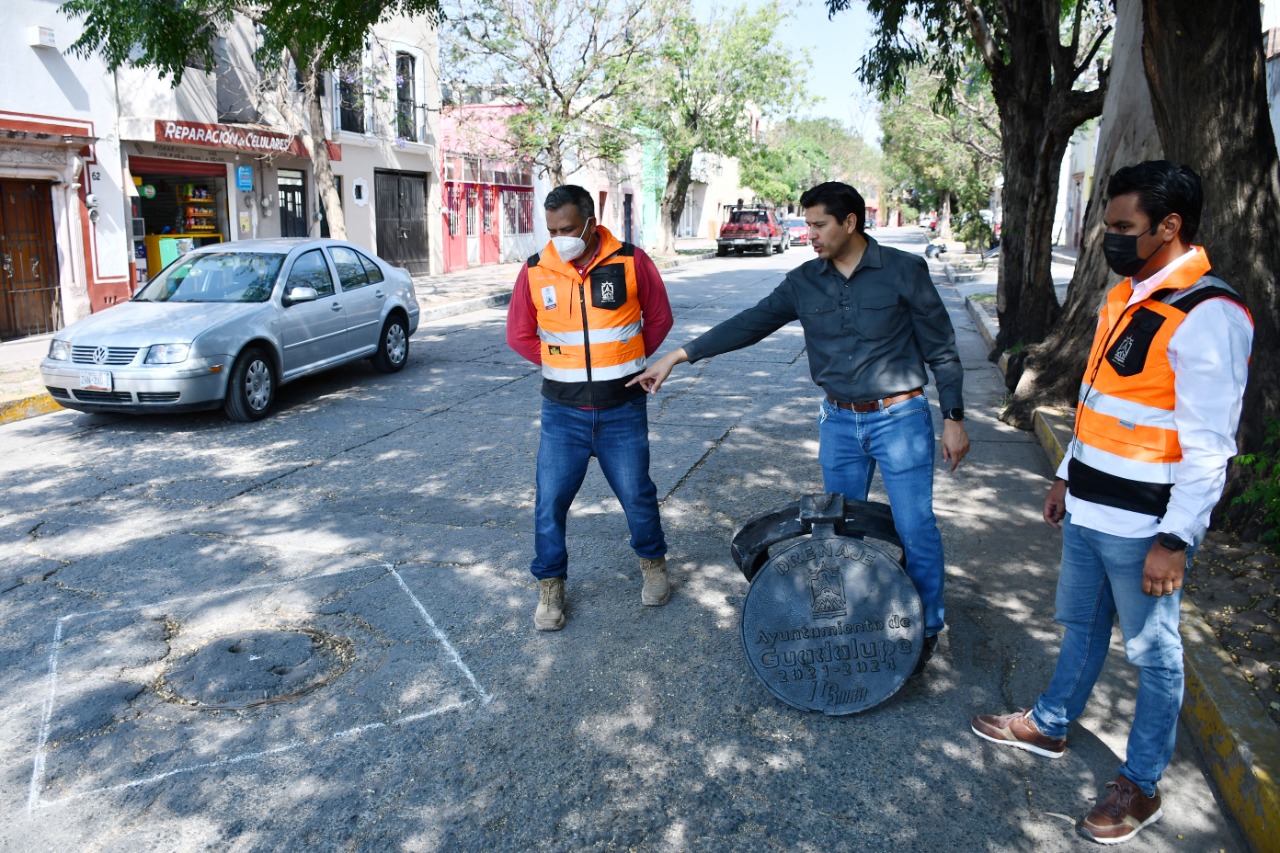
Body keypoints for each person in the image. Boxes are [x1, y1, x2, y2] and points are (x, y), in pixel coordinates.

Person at [971, 161, 1253, 845]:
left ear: (1170, 226)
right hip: (1092, 508)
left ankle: (1142, 783)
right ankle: (1051, 722)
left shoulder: (1207, 314)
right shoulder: (1126, 295)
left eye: (1124, 229)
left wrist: (1176, 540)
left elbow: (1210, 447)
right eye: (1107, 227)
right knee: (1082, 626)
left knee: (1154, 654)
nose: (1110, 240)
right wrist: (1068, 473)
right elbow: (1098, 402)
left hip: (1145, 527)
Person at [630, 181, 970, 672]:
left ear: (849, 222)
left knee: (916, 528)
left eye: (817, 224)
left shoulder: (903, 270)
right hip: (839, 423)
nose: (807, 233)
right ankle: (854, 625)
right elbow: (752, 321)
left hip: (900, 418)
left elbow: (941, 347)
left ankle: (928, 629)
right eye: (806, 223)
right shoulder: (805, 280)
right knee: (838, 532)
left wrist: (954, 418)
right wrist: (679, 356)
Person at [507, 185, 674, 631]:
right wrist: (563, 364)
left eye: (567, 228)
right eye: (551, 230)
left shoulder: (631, 260)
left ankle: (653, 565)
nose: (560, 238)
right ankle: (550, 587)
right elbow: (520, 334)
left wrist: (629, 361)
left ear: (590, 220)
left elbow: (659, 318)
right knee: (550, 503)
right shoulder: (537, 269)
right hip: (562, 415)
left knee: (638, 494)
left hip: (622, 408)